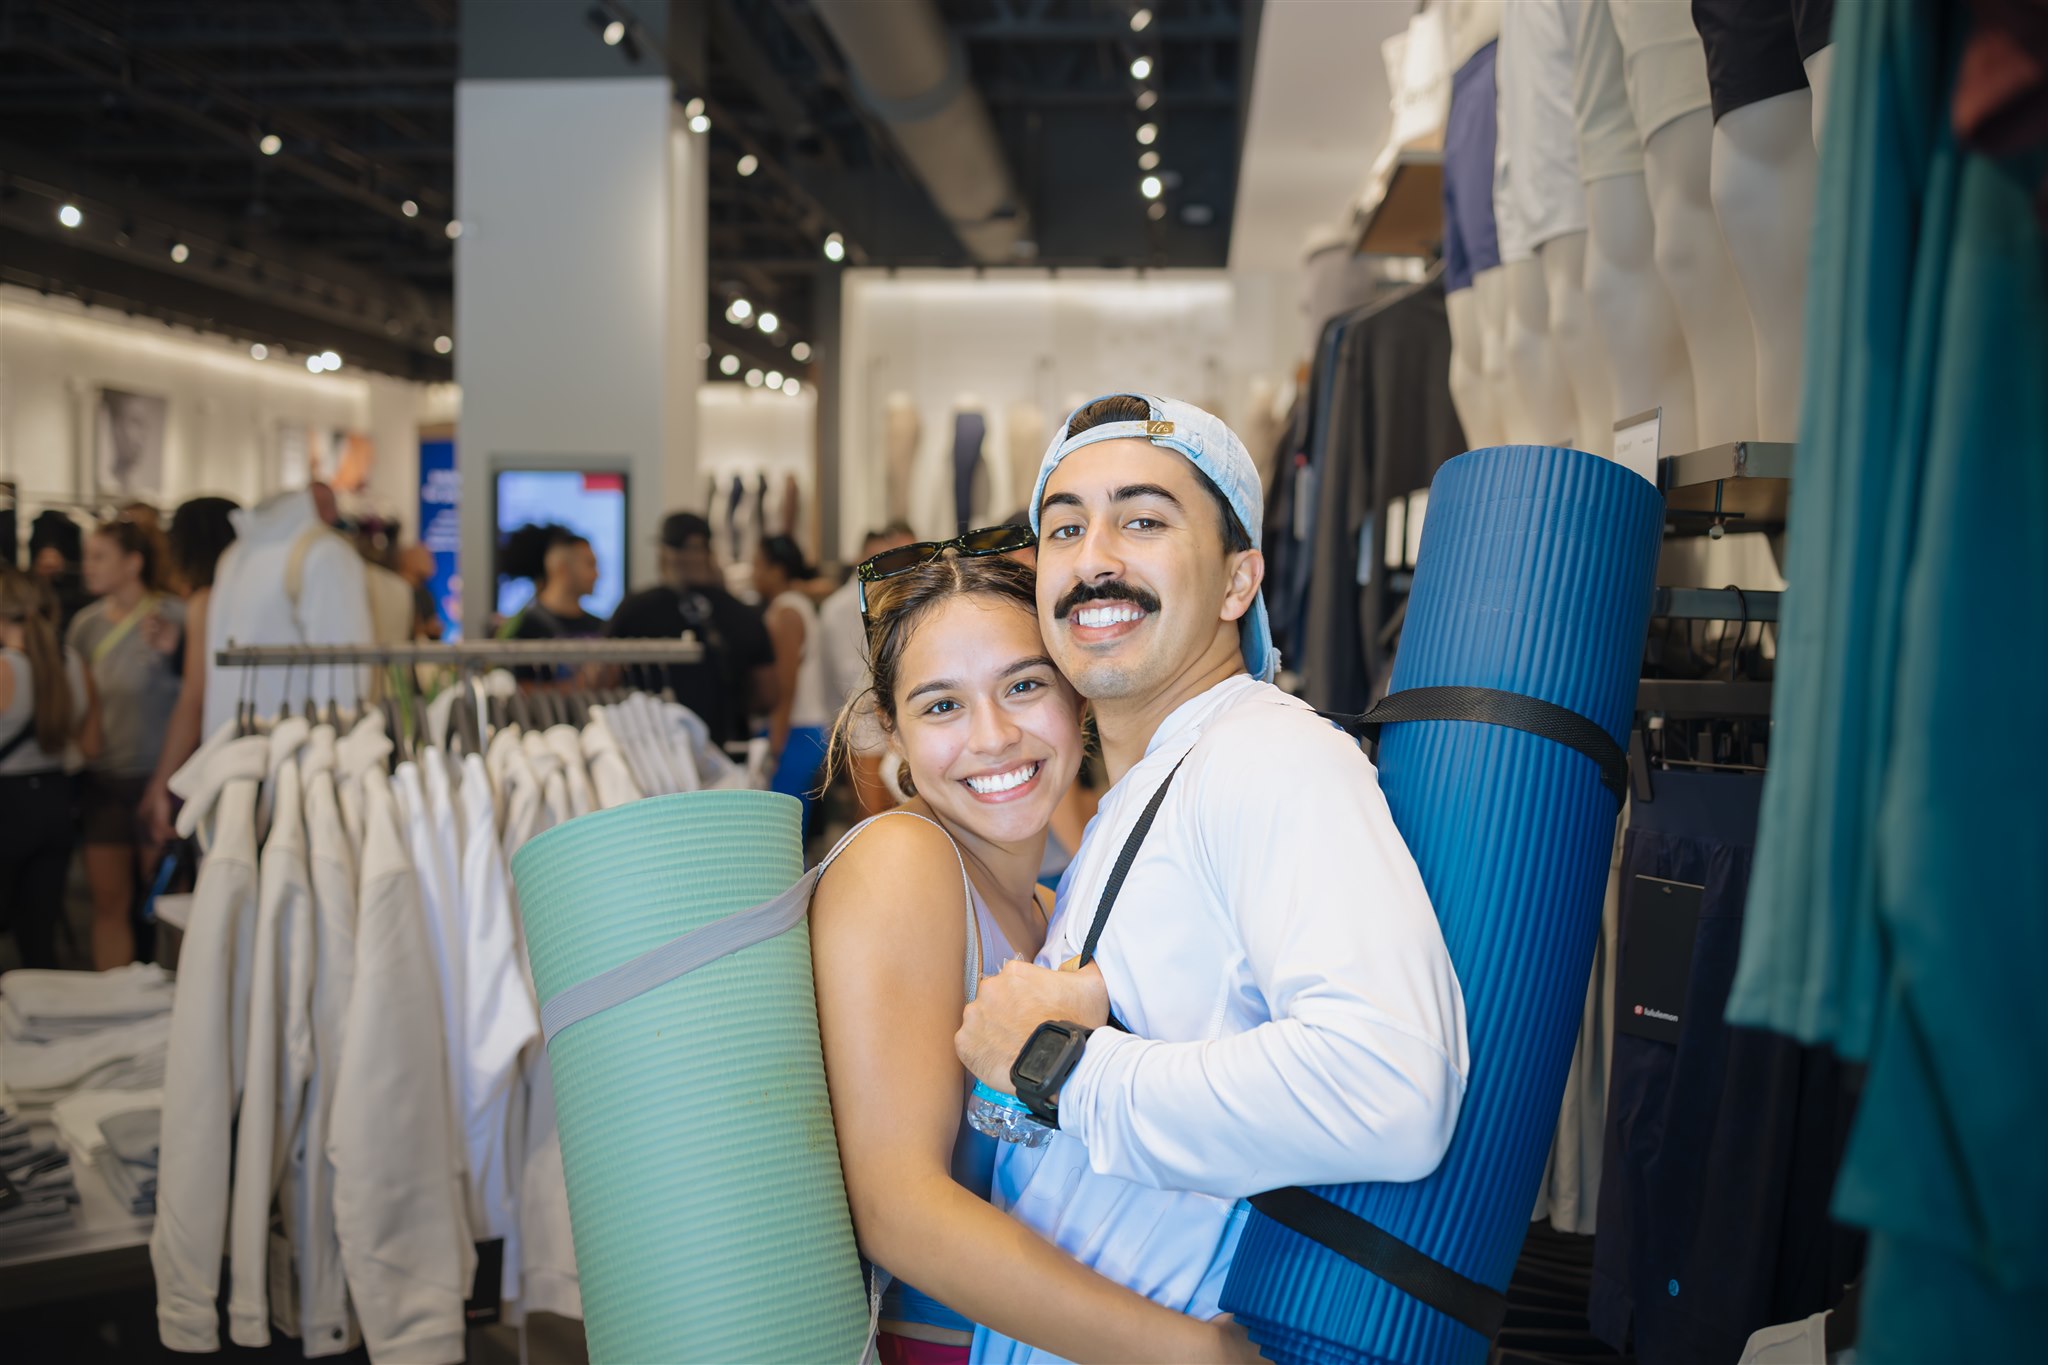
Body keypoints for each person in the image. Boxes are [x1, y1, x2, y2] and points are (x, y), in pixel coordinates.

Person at [952, 393, 1470, 1362]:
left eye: (1142, 520)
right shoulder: (1153, 786)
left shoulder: (1268, 759)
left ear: (1238, 581)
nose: (1094, 557)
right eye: (1064, 529)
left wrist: (1061, 1068)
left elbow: (1389, 1089)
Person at [812, 546, 1254, 1365]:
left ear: (1076, 695)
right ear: (891, 729)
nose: (994, 736)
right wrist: (1195, 1354)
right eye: (942, 705)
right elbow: (897, 1208)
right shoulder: (903, 863)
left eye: (1024, 685)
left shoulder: (1060, 908)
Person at [67, 518, 184, 968]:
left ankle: (178, 1014)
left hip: (165, 782)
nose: (87, 566)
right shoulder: (85, 626)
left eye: (99, 556)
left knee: (169, 906)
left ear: (133, 563)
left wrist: (174, 653)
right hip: (105, 782)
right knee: (109, 906)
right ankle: (114, 1008)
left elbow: (197, 695)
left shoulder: (174, 616)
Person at [0, 565, 102, 968]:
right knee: (38, 939)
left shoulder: (5, 667)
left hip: (6, 806)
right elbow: (92, 746)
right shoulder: (74, 662)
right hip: (56, 804)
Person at [608, 512, 777, 751]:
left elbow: (606, 678)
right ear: (708, 552)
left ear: (663, 552)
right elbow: (767, 694)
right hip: (727, 748)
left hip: (651, 749)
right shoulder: (741, 613)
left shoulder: (635, 609)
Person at [139, 497, 239, 847]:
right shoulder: (236, 593)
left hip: (205, 753)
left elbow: (194, 698)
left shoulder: (205, 601)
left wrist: (162, 782)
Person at [817, 522, 917, 817]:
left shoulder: (895, 597)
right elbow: (850, 679)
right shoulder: (841, 607)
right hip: (863, 722)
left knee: (904, 812)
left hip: (894, 714)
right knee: (872, 816)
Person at [754, 534, 831, 825]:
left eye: (758, 565)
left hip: (794, 732)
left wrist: (776, 741)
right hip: (800, 730)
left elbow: (785, 684)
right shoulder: (796, 605)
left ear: (777, 570)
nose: (753, 574)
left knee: (781, 829)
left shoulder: (787, 611)